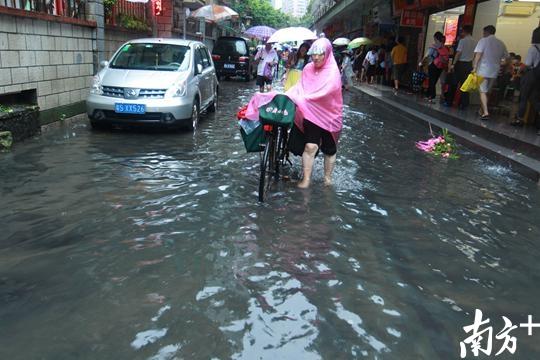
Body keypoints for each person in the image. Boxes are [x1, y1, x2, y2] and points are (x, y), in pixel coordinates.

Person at [286, 38, 343, 188]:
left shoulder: (333, 71)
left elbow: (327, 90)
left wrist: (305, 98)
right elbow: (300, 87)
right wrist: (290, 95)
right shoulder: (307, 69)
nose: (316, 58)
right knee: (310, 146)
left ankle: (327, 178)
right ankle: (306, 179)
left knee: (329, 150)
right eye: (314, 54)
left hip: (330, 116)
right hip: (310, 114)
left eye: (320, 54)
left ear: (327, 54)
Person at [473, 25, 508, 120]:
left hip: (483, 70)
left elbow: (478, 54)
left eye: (484, 33)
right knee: (487, 91)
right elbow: (506, 58)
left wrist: (474, 67)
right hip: (494, 71)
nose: (483, 34)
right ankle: (481, 110)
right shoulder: (501, 43)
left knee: (482, 91)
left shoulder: (483, 41)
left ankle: (485, 112)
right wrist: (501, 64)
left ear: (486, 32)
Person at [511, 27, 540, 134]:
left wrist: (519, 72)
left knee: (523, 98)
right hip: (538, 77)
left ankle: (519, 119)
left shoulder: (533, 48)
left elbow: (527, 64)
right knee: (535, 99)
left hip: (530, 75)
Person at [447, 25, 476, 109]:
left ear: (465, 31)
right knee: (465, 85)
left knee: (453, 83)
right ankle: (464, 104)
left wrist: (453, 64)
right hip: (469, 65)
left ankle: (449, 102)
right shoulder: (475, 42)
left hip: (460, 64)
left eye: (462, 31)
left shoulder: (462, 41)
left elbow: (458, 53)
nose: (461, 33)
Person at [423, 32, 448, 102]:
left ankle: (431, 96)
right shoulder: (444, 47)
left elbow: (428, 55)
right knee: (434, 80)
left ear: (435, 38)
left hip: (433, 64)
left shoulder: (434, 46)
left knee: (432, 80)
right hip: (440, 66)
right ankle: (429, 95)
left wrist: (422, 62)